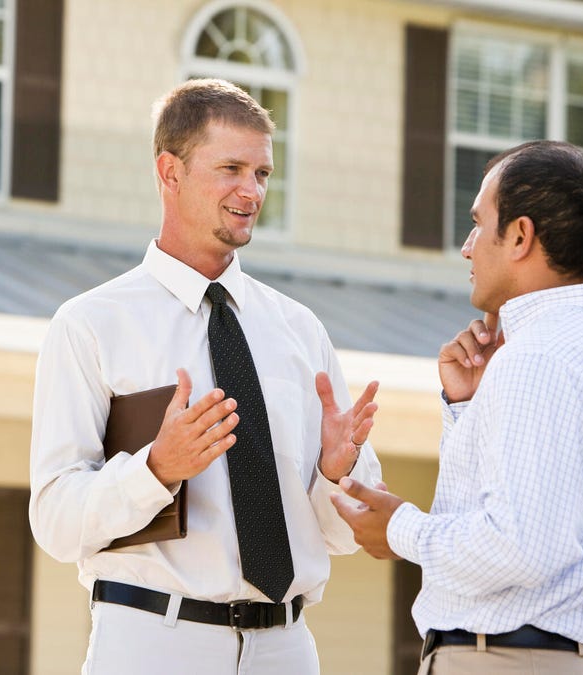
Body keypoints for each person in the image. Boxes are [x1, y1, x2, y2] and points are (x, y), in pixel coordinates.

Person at [29, 78, 383, 675]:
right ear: (170, 172)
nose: (252, 190)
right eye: (231, 169)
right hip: (152, 644)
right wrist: (157, 470)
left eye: (263, 173)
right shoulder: (91, 325)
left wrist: (336, 470)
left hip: (286, 649)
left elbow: (345, 535)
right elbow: (57, 523)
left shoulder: (299, 330)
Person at [331, 140, 583, 674]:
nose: (468, 246)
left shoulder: (538, 357)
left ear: (520, 236)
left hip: (505, 660)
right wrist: (468, 409)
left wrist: (400, 529)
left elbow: (523, 546)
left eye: (478, 223)